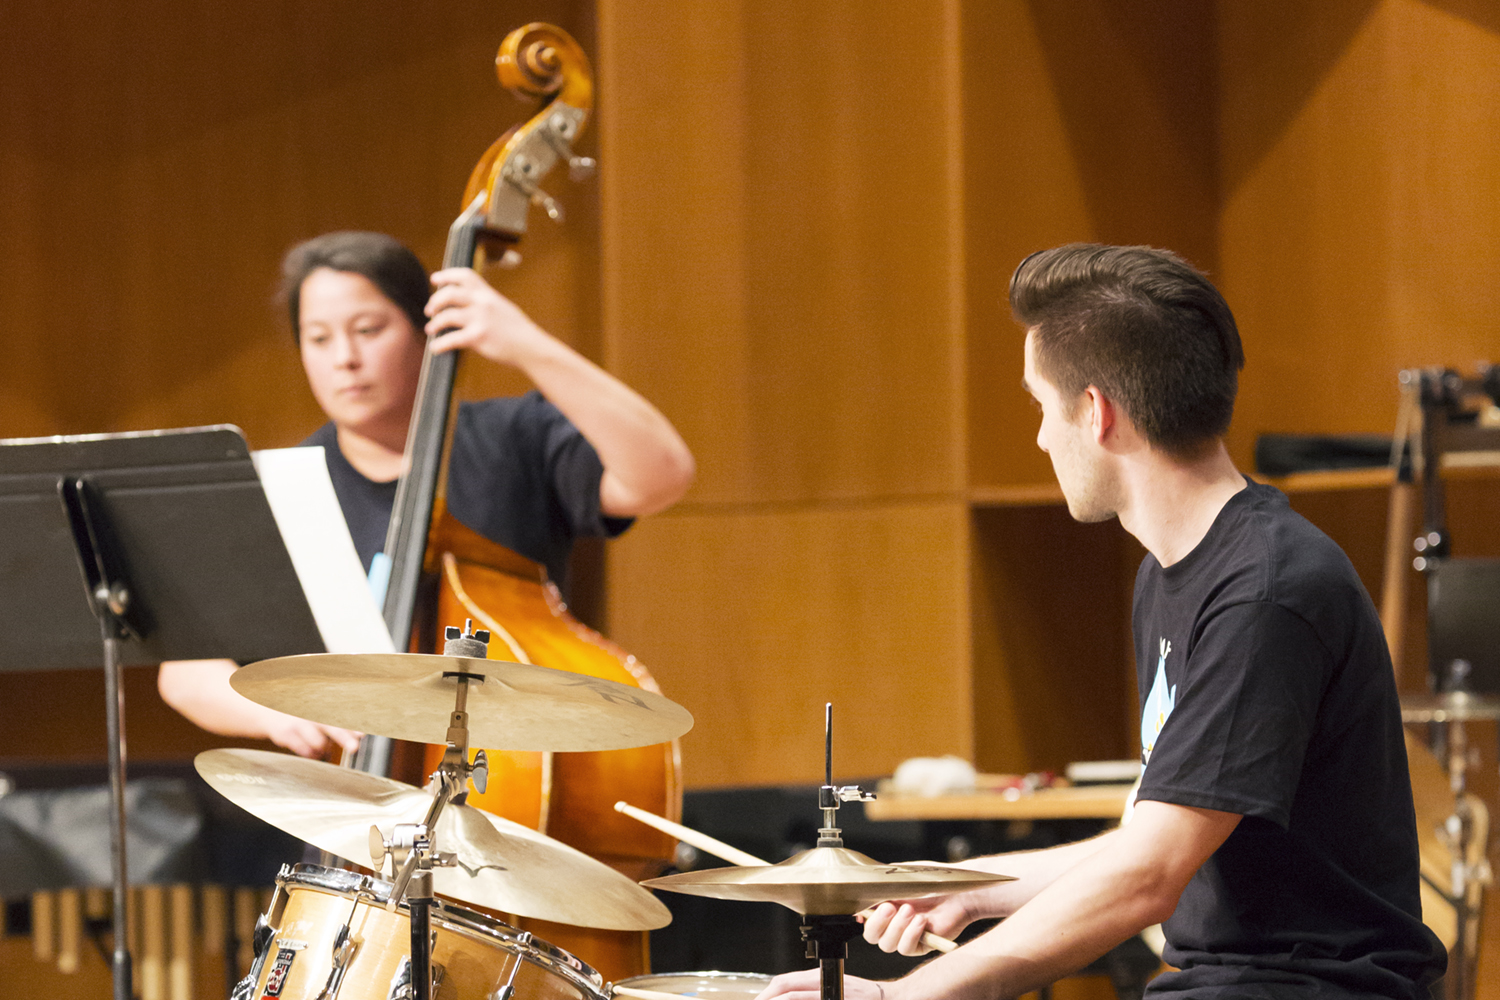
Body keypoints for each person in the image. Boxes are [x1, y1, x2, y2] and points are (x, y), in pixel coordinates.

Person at [759, 244, 1445, 1000]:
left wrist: (906, 993)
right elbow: (1141, 842)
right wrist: (971, 890)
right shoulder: (1171, 573)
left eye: (1040, 406)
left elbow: (1150, 878)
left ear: (1095, 412)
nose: (1041, 438)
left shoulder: (1265, 591)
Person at [158, 231, 695, 757]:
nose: (344, 357)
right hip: (351, 810)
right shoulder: (286, 489)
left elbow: (661, 476)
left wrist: (527, 345)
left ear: (425, 329)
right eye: (318, 338)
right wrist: (273, 714)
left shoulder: (515, 438)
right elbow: (185, 671)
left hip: (509, 779)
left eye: (368, 329)